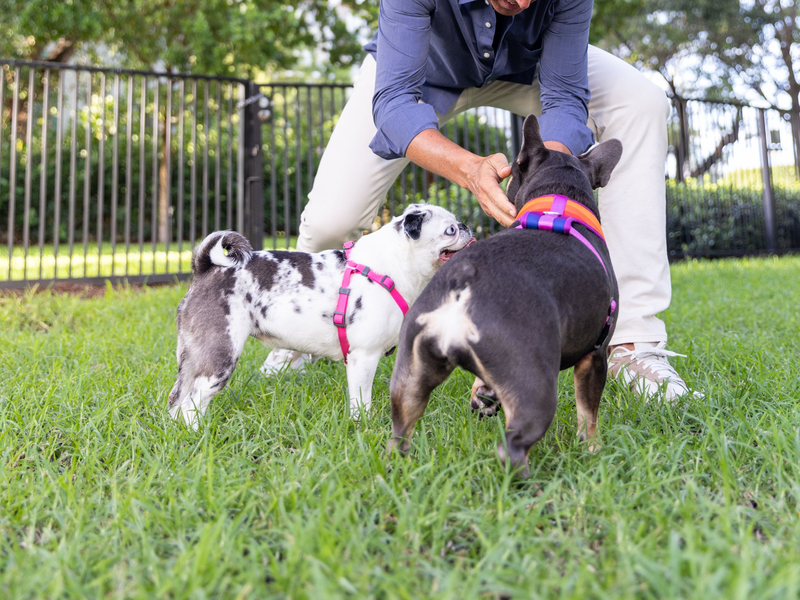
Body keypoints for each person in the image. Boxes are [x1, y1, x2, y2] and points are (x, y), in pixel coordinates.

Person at [263, 0, 699, 402]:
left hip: (529, 69)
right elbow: (394, 103)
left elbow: (565, 96)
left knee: (641, 101)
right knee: (329, 220)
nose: (524, 4)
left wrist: (546, 189)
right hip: (419, 74)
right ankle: (304, 338)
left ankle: (633, 342)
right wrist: (470, 170)